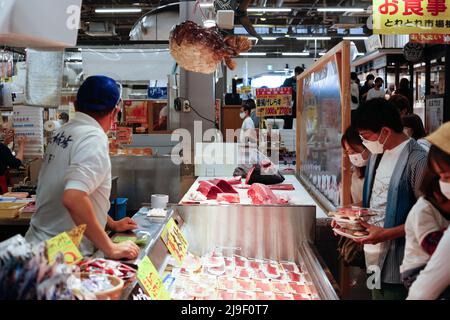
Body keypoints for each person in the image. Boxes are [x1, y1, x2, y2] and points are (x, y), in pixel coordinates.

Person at [25, 76, 139, 260]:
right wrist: (110, 247)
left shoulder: (63, 131)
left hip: (39, 246)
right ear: (115, 111)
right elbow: (74, 198)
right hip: (61, 257)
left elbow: (84, 192)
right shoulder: (93, 138)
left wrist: (110, 223)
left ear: (75, 105)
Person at [352, 98, 428, 300]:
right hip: (372, 258)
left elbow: (431, 220)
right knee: (375, 295)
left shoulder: (418, 160)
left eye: (366, 136)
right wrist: (347, 215)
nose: (364, 142)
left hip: (399, 266)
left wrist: (386, 234)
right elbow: (375, 198)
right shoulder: (378, 154)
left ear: (385, 132)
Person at [406, 122, 450, 300]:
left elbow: (421, 293)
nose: (444, 185)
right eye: (441, 178)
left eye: (447, 176)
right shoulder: (423, 209)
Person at [341, 126, 369, 205]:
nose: (352, 156)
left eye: (353, 151)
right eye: (348, 152)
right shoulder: (353, 173)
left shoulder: (377, 171)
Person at [0, 129, 27, 194]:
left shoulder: (2, 147)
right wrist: (22, 145)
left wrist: (5, 144)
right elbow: (15, 163)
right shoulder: (2, 148)